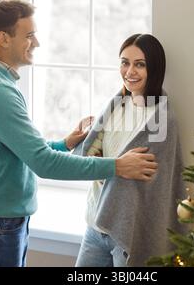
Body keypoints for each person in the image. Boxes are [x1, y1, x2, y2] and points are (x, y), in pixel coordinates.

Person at [0, 0, 158, 267]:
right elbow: (43, 163)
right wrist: (118, 166)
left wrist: (64, 144)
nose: (37, 43)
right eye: (29, 36)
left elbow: (19, 151)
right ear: (3, 39)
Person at [73, 34, 187, 267]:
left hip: (127, 231)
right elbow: (94, 157)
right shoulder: (115, 106)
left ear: (154, 68)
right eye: (125, 62)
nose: (129, 71)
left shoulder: (162, 120)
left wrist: (110, 165)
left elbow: (153, 182)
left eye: (139, 64)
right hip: (95, 223)